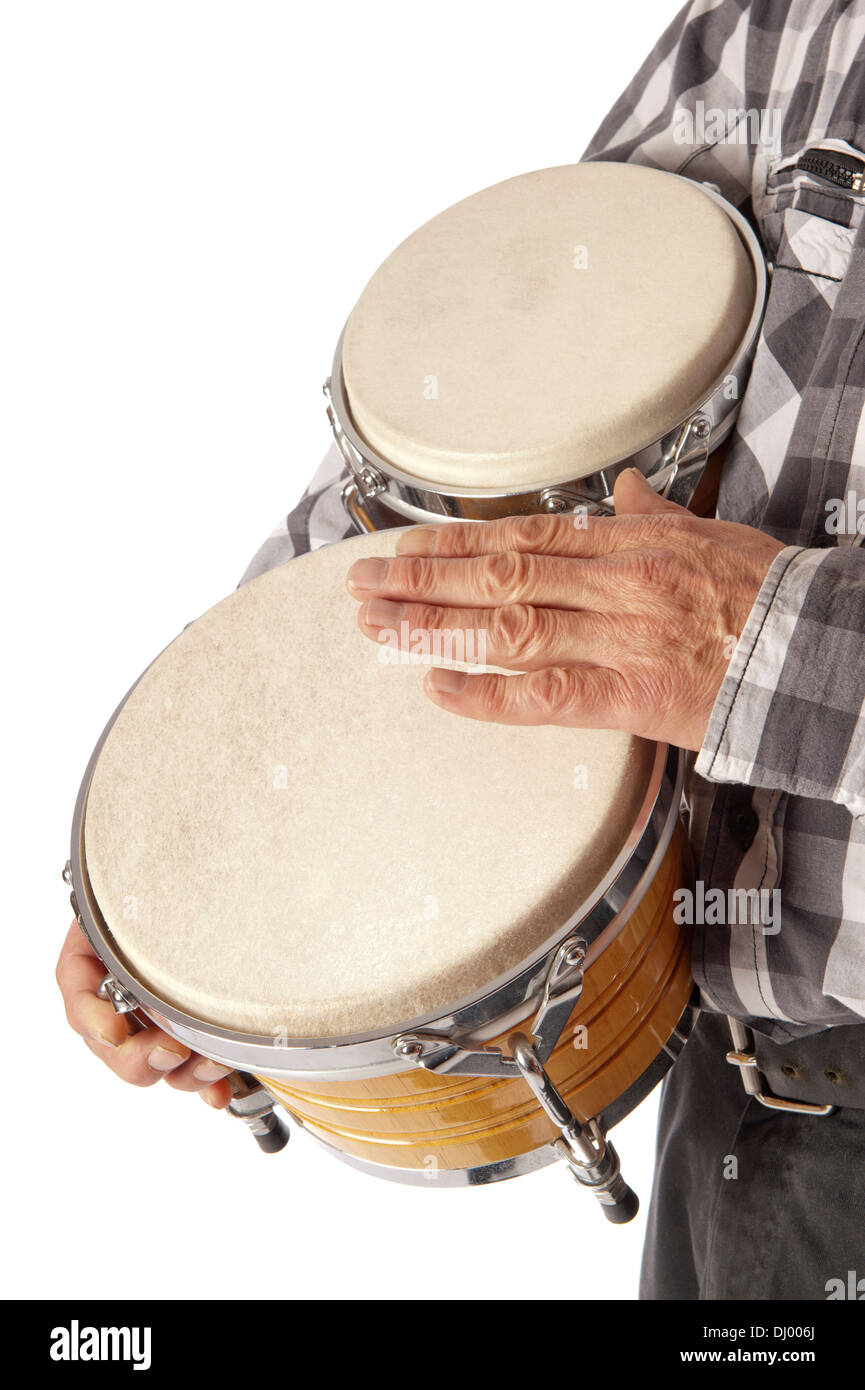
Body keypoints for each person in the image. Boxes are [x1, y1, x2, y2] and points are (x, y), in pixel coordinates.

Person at [57, 0, 865, 1299]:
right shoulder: (781, 20)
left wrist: (781, 647)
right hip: (752, 1129)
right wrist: (204, 825)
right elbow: (524, 356)